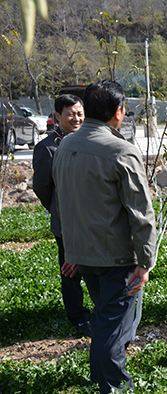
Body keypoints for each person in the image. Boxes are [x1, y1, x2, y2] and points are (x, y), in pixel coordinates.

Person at [53, 81, 157, 394]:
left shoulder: (66, 146)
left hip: (84, 255)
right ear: (118, 113)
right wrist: (145, 261)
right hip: (115, 257)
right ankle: (113, 387)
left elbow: (64, 205)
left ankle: (102, 378)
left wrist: (71, 250)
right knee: (111, 328)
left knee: (104, 320)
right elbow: (141, 214)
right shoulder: (119, 150)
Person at [32, 94, 91, 337]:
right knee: (70, 270)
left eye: (79, 113)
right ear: (57, 116)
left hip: (93, 220)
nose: (76, 118)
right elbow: (42, 188)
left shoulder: (90, 142)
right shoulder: (47, 147)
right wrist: (56, 207)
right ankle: (77, 316)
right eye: (70, 113)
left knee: (95, 266)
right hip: (66, 222)